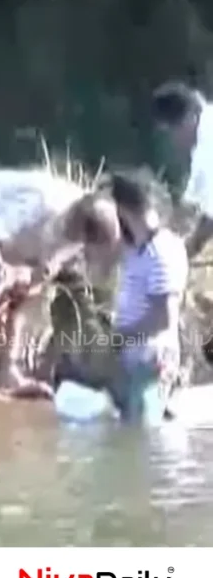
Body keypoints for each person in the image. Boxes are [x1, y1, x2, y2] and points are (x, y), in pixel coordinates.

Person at [0, 168, 119, 395]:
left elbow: (48, 263)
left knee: (25, 294)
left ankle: (7, 370)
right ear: (78, 222)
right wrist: (3, 274)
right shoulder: (41, 201)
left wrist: (31, 280)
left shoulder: (83, 226)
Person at [64, 171, 189, 424]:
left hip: (150, 364)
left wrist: (119, 339)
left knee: (141, 437)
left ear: (122, 209)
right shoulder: (140, 248)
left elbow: (163, 318)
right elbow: (103, 259)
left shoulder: (161, 251)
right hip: (135, 362)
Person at [151, 81, 213, 258]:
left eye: (171, 133)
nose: (173, 142)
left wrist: (185, 253)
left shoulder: (208, 143)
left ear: (187, 118)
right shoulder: (205, 129)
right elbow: (190, 203)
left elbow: (210, 216)